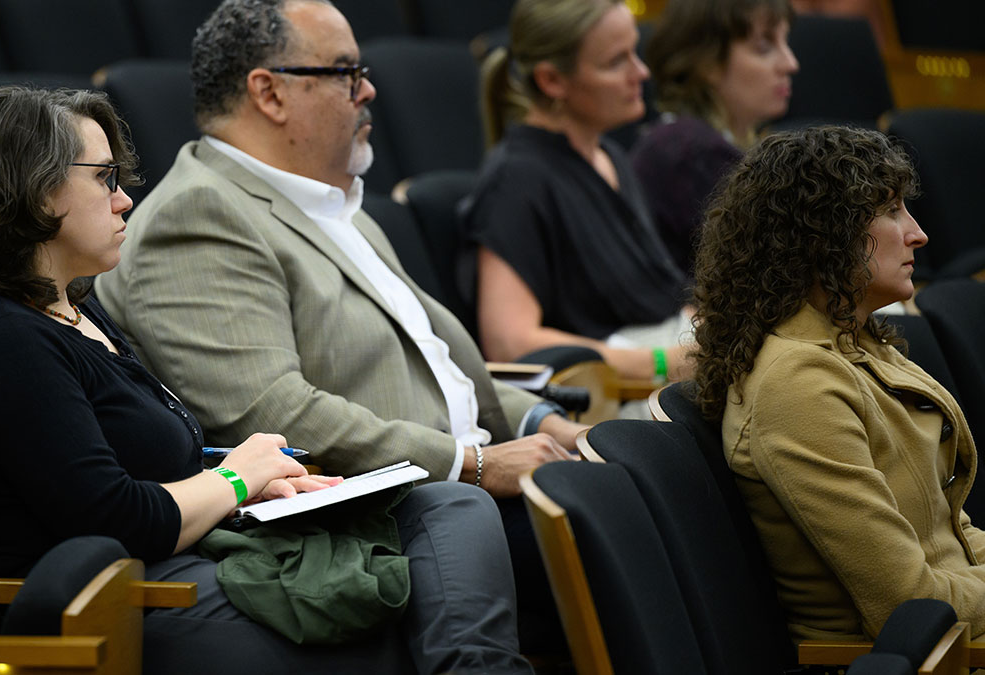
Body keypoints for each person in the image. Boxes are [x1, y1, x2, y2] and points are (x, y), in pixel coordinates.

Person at [0, 86, 534, 674]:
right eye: (104, 179)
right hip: (128, 597)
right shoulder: (1, 342)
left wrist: (251, 476)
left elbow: (149, 459)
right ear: (33, 191)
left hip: (198, 552)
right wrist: (237, 477)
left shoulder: (73, 310)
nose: (124, 199)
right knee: (414, 611)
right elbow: (116, 519)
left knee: (447, 504)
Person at [94, 0, 584, 655]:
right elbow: (272, 413)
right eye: (347, 72)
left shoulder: (332, 201)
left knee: (629, 485)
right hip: (383, 523)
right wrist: (474, 464)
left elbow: (428, 366)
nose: (369, 89)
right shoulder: (200, 217)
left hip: (456, 488)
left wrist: (542, 423)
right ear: (269, 93)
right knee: (615, 536)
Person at [691, 125, 985, 642]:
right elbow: (910, 607)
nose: (918, 233)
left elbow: (951, 532)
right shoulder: (800, 385)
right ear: (823, 233)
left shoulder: (854, 340)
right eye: (891, 211)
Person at [464, 0, 692, 383]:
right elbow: (511, 343)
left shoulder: (610, 157)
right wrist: (660, 362)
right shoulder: (516, 180)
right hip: (621, 394)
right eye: (615, 62)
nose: (641, 72)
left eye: (634, 52)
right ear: (552, 80)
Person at [631, 0, 798, 275]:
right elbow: (778, 277)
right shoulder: (691, 154)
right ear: (707, 61)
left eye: (786, 43)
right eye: (765, 47)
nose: (791, 63)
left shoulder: (695, 142)